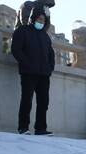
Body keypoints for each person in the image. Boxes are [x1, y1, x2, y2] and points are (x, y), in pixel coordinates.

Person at [11, 5, 55, 135]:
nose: (41, 22)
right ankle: (23, 127)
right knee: (26, 100)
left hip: (44, 74)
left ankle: (40, 128)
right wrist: (26, 64)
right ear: (33, 18)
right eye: (39, 19)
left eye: (43, 20)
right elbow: (16, 50)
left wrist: (50, 68)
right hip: (28, 72)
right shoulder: (22, 31)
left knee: (43, 102)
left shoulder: (45, 36)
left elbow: (51, 54)